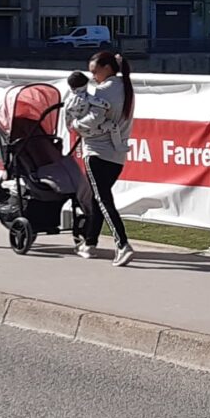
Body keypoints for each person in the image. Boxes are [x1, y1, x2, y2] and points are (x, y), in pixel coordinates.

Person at [70, 50, 137, 266]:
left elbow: (91, 116)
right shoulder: (125, 87)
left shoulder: (103, 92)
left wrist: (75, 126)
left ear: (107, 68)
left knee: (102, 199)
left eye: (95, 72)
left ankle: (122, 244)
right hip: (117, 154)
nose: (92, 78)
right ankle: (90, 242)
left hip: (98, 151)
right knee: (99, 198)